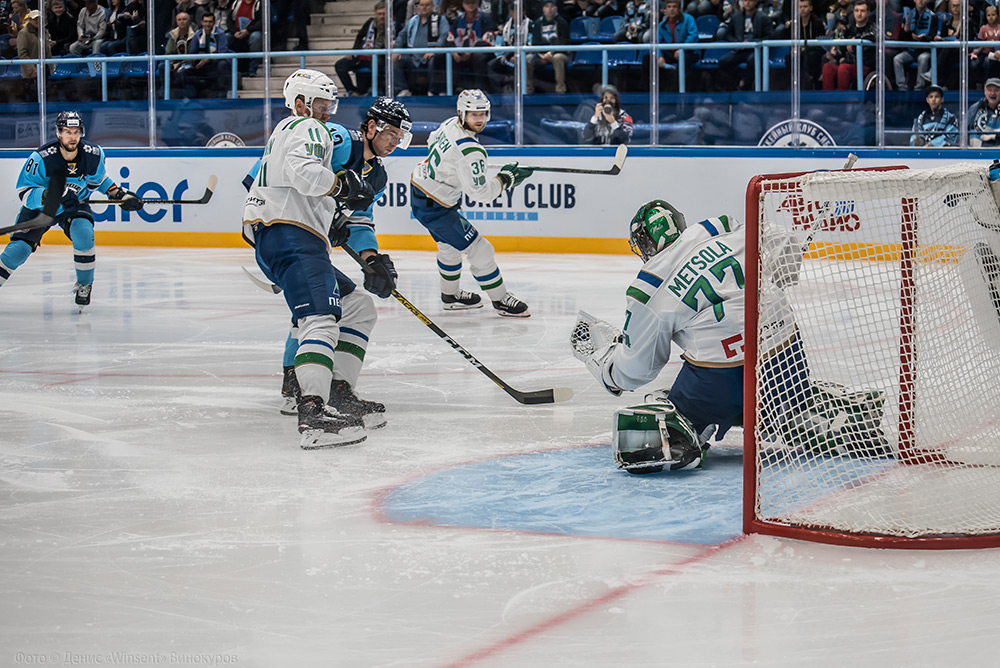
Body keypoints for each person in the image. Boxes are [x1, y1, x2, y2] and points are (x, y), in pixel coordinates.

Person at [569, 199, 888, 474]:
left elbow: (637, 370)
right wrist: (772, 278)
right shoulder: (720, 228)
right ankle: (822, 414)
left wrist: (606, 364)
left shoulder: (650, 286)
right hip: (787, 357)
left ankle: (693, 431)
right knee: (785, 401)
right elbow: (785, 245)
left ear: (642, 247)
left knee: (648, 422)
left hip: (718, 380)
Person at [241, 70, 400, 449]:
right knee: (318, 315)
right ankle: (311, 409)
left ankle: (335, 390)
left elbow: (359, 220)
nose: (394, 143)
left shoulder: (375, 177)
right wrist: (334, 195)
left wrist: (371, 258)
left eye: (400, 138)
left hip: (297, 233)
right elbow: (288, 171)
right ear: (372, 127)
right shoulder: (325, 134)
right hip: (288, 229)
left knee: (357, 306)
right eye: (390, 134)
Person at [409, 89, 534, 316]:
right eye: (473, 114)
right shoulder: (472, 151)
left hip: (423, 192)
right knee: (480, 249)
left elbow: (432, 141)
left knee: (449, 248)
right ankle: (500, 299)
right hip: (436, 205)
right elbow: (480, 193)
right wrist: (506, 179)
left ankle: (450, 295)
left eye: (483, 113)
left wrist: (452, 167)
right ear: (462, 113)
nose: (479, 119)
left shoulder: (449, 124)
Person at [0, 111, 143, 307]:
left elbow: (99, 181)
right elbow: (25, 192)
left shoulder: (93, 155)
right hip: (43, 209)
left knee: (84, 234)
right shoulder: (42, 158)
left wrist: (121, 195)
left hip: (75, 205)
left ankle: (85, 285)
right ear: (59, 133)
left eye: (76, 132)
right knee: (18, 250)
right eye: (67, 132)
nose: (73, 137)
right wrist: (51, 196)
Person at [392, 0, 449, 95]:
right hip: (413, 56)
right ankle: (402, 89)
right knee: (396, 60)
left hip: (431, 55)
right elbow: (402, 35)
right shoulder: (413, 21)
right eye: (422, 5)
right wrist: (396, 49)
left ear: (432, 6)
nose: (424, 7)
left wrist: (434, 50)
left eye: (427, 5)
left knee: (434, 60)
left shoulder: (440, 19)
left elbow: (444, 36)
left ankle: (434, 91)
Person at [336, 0, 390, 96]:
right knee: (340, 65)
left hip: (380, 57)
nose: (381, 16)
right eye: (379, 14)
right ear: (376, 14)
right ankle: (352, 91)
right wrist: (354, 51)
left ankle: (375, 90)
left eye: (384, 14)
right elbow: (359, 37)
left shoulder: (392, 25)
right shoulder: (370, 23)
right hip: (363, 55)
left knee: (379, 64)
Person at [718, 0, 773, 91]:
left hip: (756, 50)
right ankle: (743, 78)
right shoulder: (736, 17)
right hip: (740, 50)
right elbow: (727, 35)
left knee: (753, 60)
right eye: (745, 0)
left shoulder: (764, 18)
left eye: (750, 1)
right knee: (723, 62)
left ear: (755, 2)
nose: (747, 3)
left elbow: (771, 36)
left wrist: (751, 43)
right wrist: (738, 42)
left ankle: (744, 84)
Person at [821, 0, 877, 90]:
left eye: (862, 11)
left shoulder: (873, 26)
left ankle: (842, 99)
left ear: (868, 13)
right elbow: (841, 47)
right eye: (856, 11)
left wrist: (856, 41)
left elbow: (874, 36)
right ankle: (828, 100)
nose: (859, 14)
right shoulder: (849, 28)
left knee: (843, 68)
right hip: (848, 63)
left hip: (865, 66)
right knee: (828, 67)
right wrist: (834, 51)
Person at [447, 0, 496, 92]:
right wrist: (454, 52)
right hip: (461, 52)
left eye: (473, 2)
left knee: (478, 56)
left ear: (477, 3)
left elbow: (487, 41)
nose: (470, 5)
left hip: (479, 52)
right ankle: (451, 90)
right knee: (445, 56)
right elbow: (450, 39)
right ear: (463, 4)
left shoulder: (485, 18)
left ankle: (481, 89)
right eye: (467, 3)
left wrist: (470, 52)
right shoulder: (458, 20)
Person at [893, 0, 938, 91]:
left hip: (924, 51)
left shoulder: (933, 17)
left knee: (923, 58)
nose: (920, 1)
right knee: (897, 59)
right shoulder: (908, 15)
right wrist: (906, 30)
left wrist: (923, 38)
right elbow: (902, 38)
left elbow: (933, 37)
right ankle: (902, 87)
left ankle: (919, 87)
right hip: (911, 51)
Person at [526, 0, 570, 94]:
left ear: (556, 8)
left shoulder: (562, 22)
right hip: (540, 53)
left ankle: (560, 89)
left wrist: (551, 52)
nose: (549, 9)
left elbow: (563, 41)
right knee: (527, 59)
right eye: (547, 6)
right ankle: (528, 89)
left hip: (558, 53)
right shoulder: (537, 23)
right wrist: (540, 54)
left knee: (558, 58)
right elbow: (535, 42)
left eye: (552, 6)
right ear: (543, 9)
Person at [655, 0, 699, 90]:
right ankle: (646, 92)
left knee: (684, 59)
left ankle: (680, 91)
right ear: (665, 9)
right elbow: (657, 42)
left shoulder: (688, 19)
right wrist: (659, 56)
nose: (672, 9)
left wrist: (682, 49)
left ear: (679, 9)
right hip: (670, 53)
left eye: (674, 7)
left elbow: (693, 36)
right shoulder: (662, 25)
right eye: (669, 7)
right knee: (648, 58)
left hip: (688, 52)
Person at [187, 12, 228, 97]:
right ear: (202, 22)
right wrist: (195, 60)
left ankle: (221, 95)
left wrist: (208, 59)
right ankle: (190, 98)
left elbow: (222, 52)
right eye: (205, 21)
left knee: (223, 64)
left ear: (214, 22)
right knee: (187, 72)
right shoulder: (197, 34)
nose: (208, 24)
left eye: (210, 22)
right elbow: (193, 52)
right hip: (201, 62)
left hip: (215, 63)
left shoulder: (220, 34)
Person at [229, 0, 262, 75]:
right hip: (236, 32)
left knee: (256, 37)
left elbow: (261, 22)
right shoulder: (236, 3)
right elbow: (229, 20)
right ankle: (227, 69)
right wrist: (234, 32)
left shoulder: (258, 4)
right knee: (226, 37)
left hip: (251, 32)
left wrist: (247, 31)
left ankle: (253, 69)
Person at [970, 5, 1000, 88]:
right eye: (988, 15)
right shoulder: (983, 28)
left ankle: (987, 83)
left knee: (988, 62)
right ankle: (978, 83)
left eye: (993, 15)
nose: (991, 17)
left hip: (995, 52)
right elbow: (979, 43)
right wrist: (975, 52)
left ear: (997, 15)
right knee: (974, 63)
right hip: (983, 51)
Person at [968, 77, 1000, 147]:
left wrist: (994, 137)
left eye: (996, 90)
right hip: (979, 153)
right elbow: (963, 131)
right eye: (990, 90)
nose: (993, 93)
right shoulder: (975, 108)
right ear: (985, 91)